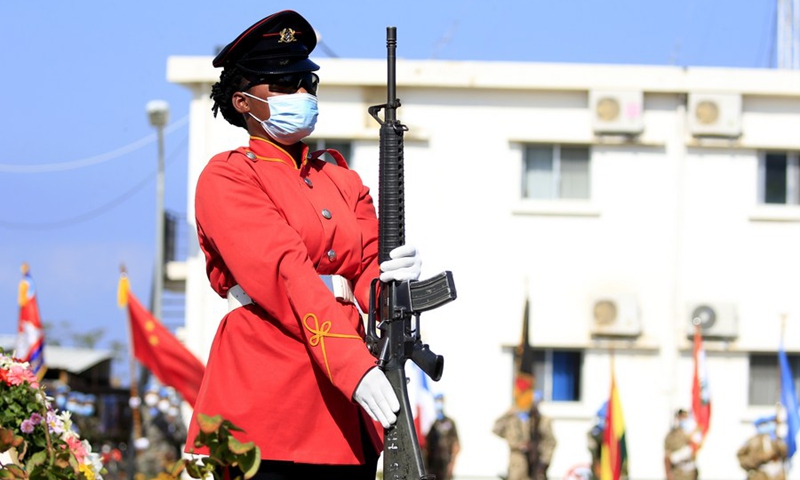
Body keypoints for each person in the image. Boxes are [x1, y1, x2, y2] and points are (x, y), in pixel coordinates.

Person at [185, 9, 424, 479]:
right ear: (243, 102)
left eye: (307, 83)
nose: (302, 94)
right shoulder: (229, 176)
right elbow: (285, 274)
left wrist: (393, 282)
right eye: (286, 83)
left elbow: (366, 270)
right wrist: (354, 367)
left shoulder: (340, 177)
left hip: (344, 408)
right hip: (265, 404)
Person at [493, 390, 556, 480]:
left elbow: (550, 442)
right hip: (517, 466)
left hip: (535, 466)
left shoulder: (542, 421)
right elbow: (496, 429)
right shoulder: (513, 421)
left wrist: (545, 462)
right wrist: (508, 413)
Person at [737, 415, 788, 480]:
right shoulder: (752, 440)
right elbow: (740, 455)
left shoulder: (776, 439)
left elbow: (784, 454)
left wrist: (778, 441)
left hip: (775, 475)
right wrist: (751, 464)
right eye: (767, 423)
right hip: (759, 474)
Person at [424, 394, 460, 480]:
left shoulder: (450, 423)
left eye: (440, 402)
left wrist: (452, 464)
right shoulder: (431, 423)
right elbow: (426, 444)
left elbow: (456, 445)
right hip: (432, 464)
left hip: (445, 462)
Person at [664, 409, 699, 480]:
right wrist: (669, 476)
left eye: (686, 417)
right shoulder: (671, 436)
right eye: (683, 417)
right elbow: (667, 458)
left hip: (691, 475)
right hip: (678, 475)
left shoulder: (692, 435)